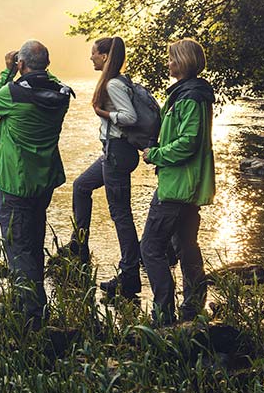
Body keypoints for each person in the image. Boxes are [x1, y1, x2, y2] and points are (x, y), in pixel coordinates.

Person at [0, 39, 72, 328]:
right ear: (47, 65)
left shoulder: (14, 93)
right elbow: (49, 76)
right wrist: (34, 69)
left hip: (16, 183)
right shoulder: (61, 94)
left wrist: (7, 72)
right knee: (33, 242)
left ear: (21, 64)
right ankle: (30, 306)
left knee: (18, 248)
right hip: (43, 182)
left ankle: (31, 317)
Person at [64, 36, 151, 299]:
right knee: (81, 186)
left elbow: (129, 117)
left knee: (120, 214)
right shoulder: (119, 81)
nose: (91, 57)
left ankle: (129, 276)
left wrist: (103, 113)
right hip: (112, 152)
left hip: (117, 153)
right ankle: (79, 245)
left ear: (104, 56)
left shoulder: (113, 84)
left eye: (93, 53)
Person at [141, 38, 216, 324]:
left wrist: (156, 154)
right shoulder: (187, 93)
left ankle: (163, 313)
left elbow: (188, 142)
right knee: (186, 245)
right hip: (185, 184)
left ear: (183, 61)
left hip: (177, 186)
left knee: (150, 247)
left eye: (172, 59)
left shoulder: (191, 97)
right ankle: (192, 309)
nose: (168, 63)